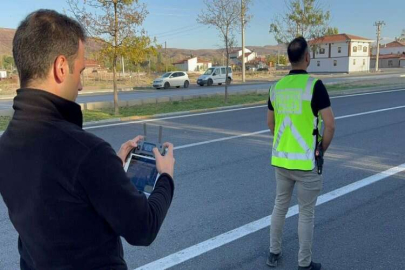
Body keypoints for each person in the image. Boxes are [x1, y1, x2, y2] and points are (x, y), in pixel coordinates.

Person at [0, 10, 175, 270]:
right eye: (80, 71)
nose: (81, 85)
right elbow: (143, 228)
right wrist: (166, 178)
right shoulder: (87, 153)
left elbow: (59, 200)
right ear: (61, 67)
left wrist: (111, 166)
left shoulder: (6, 145)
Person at [266, 37, 335, 270]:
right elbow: (330, 125)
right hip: (306, 163)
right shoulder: (315, 86)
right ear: (307, 57)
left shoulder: (276, 87)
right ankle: (303, 264)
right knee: (306, 213)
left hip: (281, 160)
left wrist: (284, 143)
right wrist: (321, 150)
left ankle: (273, 253)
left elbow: (271, 124)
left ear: (289, 58)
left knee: (279, 206)